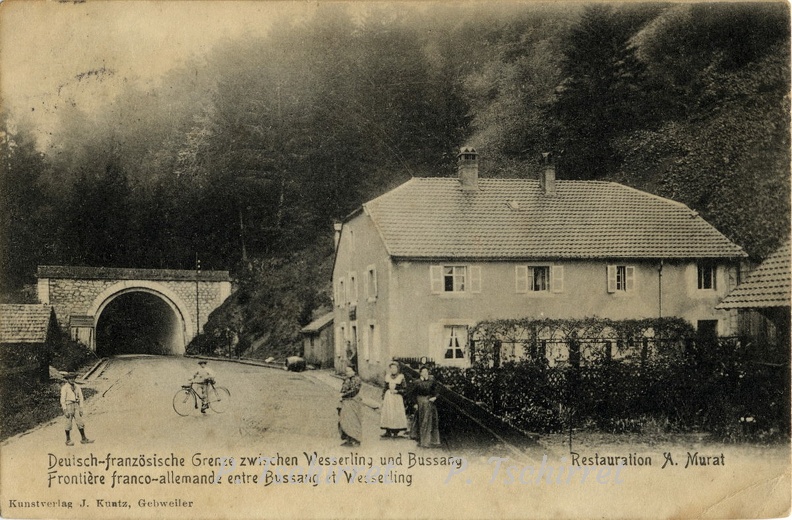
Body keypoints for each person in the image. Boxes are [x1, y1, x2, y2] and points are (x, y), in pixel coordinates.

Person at [410, 365, 441, 448]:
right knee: (421, 421)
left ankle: (431, 441)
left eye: (426, 372)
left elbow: (437, 391)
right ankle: (422, 441)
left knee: (431, 421)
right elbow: (412, 394)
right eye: (423, 372)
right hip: (420, 403)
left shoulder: (432, 381)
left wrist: (435, 397)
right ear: (420, 373)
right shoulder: (416, 382)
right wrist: (415, 404)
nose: (425, 373)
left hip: (430, 402)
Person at [60, 373, 93, 446]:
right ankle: (68, 440)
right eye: (70, 378)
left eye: (73, 378)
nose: (72, 380)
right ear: (67, 379)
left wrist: (81, 408)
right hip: (69, 405)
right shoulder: (65, 388)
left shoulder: (77, 387)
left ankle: (83, 438)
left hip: (76, 405)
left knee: (80, 422)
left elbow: (81, 397)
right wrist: (65, 410)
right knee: (68, 422)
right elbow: (62, 400)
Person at [380, 361, 408, 438]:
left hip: (397, 398)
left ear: (397, 369)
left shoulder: (401, 377)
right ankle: (388, 431)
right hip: (388, 397)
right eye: (391, 368)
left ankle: (396, 431)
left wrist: (398, 391)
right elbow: (385, 388)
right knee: (388, 412)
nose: (393, 370)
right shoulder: (387, 376)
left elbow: (405, 389)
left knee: (396, 413)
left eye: (394, 368)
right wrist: (382, 397)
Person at [338, 364, 362, 447]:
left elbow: (354, 391)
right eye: (346, 371)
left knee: (353, 420)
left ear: (354, 371)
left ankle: (356, 439)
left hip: (353, 402)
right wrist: (341, 395)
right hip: (345, 402)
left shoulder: (357, 380)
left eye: (349, 371)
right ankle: (348, 439)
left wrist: (343, 395)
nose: (347, 373)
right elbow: (343, 389)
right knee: (344, 420)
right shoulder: (347, 379)